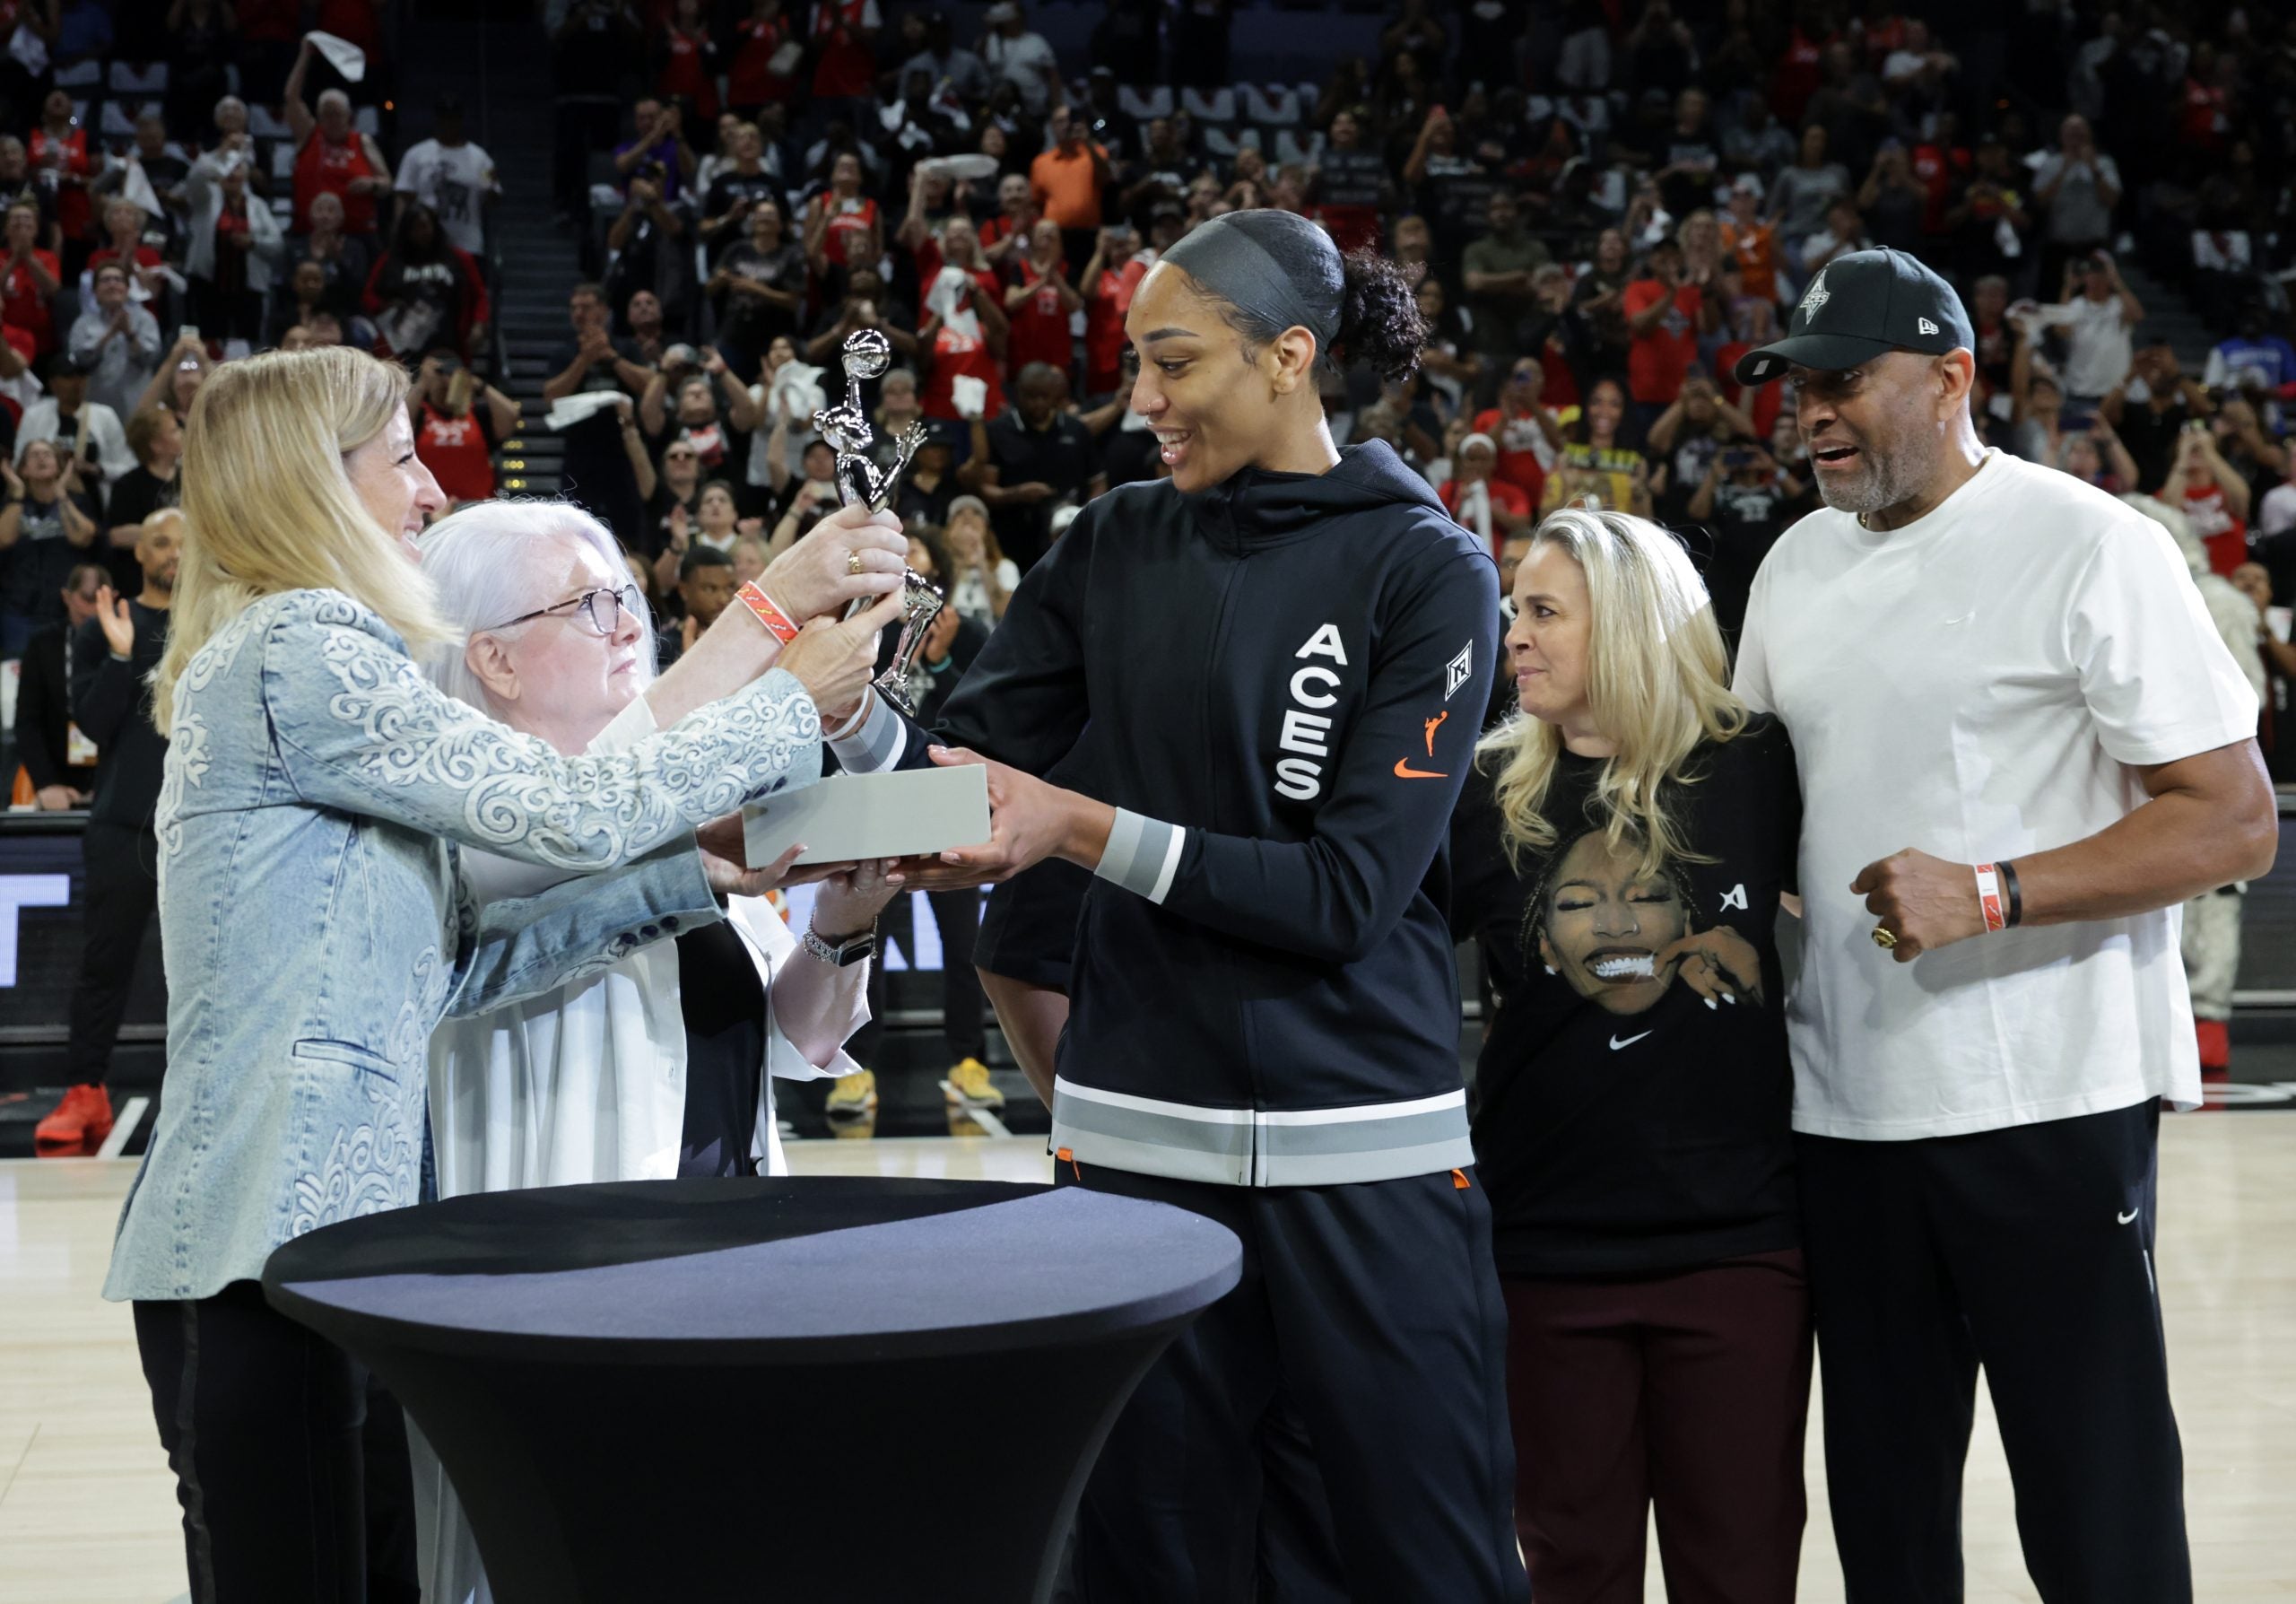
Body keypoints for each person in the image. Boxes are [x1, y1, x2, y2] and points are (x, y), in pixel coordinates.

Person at [102, 344, 906, 1603]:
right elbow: (574, 812)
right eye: (406, 459)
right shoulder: (299, 646)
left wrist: (697, 875)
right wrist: (785, 693)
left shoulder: (289, 666)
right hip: (262, 1253)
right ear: (313, 484)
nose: (431, 495)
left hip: (319, 1253)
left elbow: (459, 970)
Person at [829, 207, 1526, 1600]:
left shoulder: (1430, 571)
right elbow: (956, 777)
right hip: (1137, 1157)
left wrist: (1077, 826)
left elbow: (1346, 895)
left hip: (1365, 1155)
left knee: (1424, 1563)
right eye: (1133, 363)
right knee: (1143, 1564)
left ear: (1287, 358)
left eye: (1172, 362)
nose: (1138, 399)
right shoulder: (1112, 544)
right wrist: (787, 778)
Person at [1730, 246, 2274, 1602]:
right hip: (1847, 1113)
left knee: (2097, 1517)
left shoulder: (2093, 543)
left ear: (1954, 375)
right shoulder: (1794, 563)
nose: (1815, 415)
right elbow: (1764, 810)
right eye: (1800, 387)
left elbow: (2231, 818)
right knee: (1887, 1522)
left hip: (2048, 1105)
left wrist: (1993, 894)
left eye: (1847, 382)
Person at [407, 496, 903, 1604]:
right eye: (589, 605)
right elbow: (582, 820)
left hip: (725, 1244)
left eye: (628, 593)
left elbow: (800, 1039)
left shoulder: (680, 800)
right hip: (571, 1258)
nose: (629, 621)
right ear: (490, 658)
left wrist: (847, 918)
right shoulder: (472, 826)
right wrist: (773, 623)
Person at [1452, 505, 1807, 1599]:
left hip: (1739, 1243)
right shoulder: (1481, 789)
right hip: (1546, 1246)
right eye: (1515, 608)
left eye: (1545, 611)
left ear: (1630, 624)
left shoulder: (1755, 762)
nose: (1515, 633)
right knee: (1573, 1567)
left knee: (1740, 1563)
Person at [32, 513, 180, 1155]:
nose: (174, 552)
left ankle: (201, 1095)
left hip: (199, 827)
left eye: (183, 541)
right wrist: (122, 656)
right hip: (122, 822)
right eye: (161, 541)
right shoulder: (103, 629)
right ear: (137, 553)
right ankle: (85, 1090)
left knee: (202, 973)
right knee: (104, 966)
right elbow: (91, 726)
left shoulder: (219, 625)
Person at [959, 361, 1100, 571]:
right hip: (1015, 535)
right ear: (1017, 394)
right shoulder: (999, 431)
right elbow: (986, 489)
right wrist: (1017, 494)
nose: (1038, 403)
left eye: (1045, 396)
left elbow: (1098, 481)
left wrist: (1086, 514)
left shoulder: (1076, 430)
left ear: (1056, 395)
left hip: (1068, 531)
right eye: (1030, 396)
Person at [10, 561, 106, 810]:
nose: (94, 609)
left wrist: (115, 784)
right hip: (55, 776)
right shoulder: (43, 645)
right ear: (67, 597)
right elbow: (27, 721)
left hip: (111, 781)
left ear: (114, 598)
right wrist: (47, 783)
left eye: (101, 599)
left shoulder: (127, 642)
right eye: (87, 598)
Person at [0, 438, 102, 655]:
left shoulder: (78, 500)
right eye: (33, 455)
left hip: (66, 609)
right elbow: (4, 538)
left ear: (59, 466)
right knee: (15, 679)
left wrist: (62, 495)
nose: (41, 458)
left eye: (47, 454)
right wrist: (17, 495)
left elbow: (82, 537)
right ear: (24, 469)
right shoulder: (12, 502)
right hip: (19, 609)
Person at [283, 37, 394, 235]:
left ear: (349, 117)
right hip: (309, 232)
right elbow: (291, 97)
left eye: (337, 113)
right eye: (326, 113)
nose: (332, 119)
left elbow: (387, 184)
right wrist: (305, 56)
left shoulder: (362, 141)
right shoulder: (309, 135)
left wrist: (372, 184)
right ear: (318, 117)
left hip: (356, 234)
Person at [364, 203, 491, 362]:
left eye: (424, 226)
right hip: (404, 341)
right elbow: (369, 294)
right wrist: (383, 306)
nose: (420, 233)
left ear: (434, 226)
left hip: (448, 341)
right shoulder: (390, 260)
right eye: (414, 228)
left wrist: (479, 324)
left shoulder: (460, 258)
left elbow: (479, 294)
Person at [184, 146, 283, 351]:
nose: (231, 173)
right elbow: (195, 177)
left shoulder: (257, 205)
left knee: (250, 344)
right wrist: (217, 155)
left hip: (247, 286)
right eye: (226, 168)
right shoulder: (206, 199)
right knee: (207, 342)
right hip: (209, 284)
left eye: (237, 168)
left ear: (245, 175)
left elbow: (277, 244)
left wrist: (253, 242)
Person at [392, 96, 498, 258]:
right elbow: (403, 195)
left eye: (453, 118)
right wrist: (398, 234)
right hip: (424, 245)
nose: (448, 124)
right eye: (444, 118)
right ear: (437, 120)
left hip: (466, 244)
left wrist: (491, 185)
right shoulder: (417, 154)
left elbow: (490, 195)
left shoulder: (480, 159)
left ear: (460, 120)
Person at [411, 350, 519, 504]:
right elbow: (397, 423)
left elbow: (512, 416)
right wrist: (422, 383)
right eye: (438, 372)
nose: (444, 379)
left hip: (475, 505)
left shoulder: (477, 414)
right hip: (428, 506)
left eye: (448, 372)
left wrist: (478, 384)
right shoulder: (419, 414)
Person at [20, 354, 137, 486]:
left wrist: (97, 469)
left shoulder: (105, 415)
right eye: (68, 377)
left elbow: (129, 466)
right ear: (53, 383)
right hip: (46, 497)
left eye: (81, 376)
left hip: (93, 498)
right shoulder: (35, 415)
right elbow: (19, 462)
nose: (77, 383)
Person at [102, 406, 185, 595]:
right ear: (156, 445)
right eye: (174, 430)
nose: (181, 434)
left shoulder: (191, 478)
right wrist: (169, 533)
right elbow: (117, 535)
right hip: (142, 585)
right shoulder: (128, 485)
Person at [68, 263, 163, 419]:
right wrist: (109, 334)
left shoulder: (145, 319)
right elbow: (80, 361)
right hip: (96, 406)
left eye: (118, 280)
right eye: (105, 280)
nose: (112, 284)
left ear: (127, 289)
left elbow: (151, 358)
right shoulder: (83, 323)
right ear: (95, 291)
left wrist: (129, 334)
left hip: (137, 406)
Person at [1439, 432, 1532, 555]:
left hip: (1500, 560)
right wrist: (1460, 502)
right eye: (1472, 459)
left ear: (1493, 462)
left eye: (1483, 459)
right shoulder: (1449, 489)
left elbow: (1523, 526)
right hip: (1456, 557)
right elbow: (1437, 525)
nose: (1477, 465)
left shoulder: (1511, 492)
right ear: (1462, 462)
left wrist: (1485, 506)